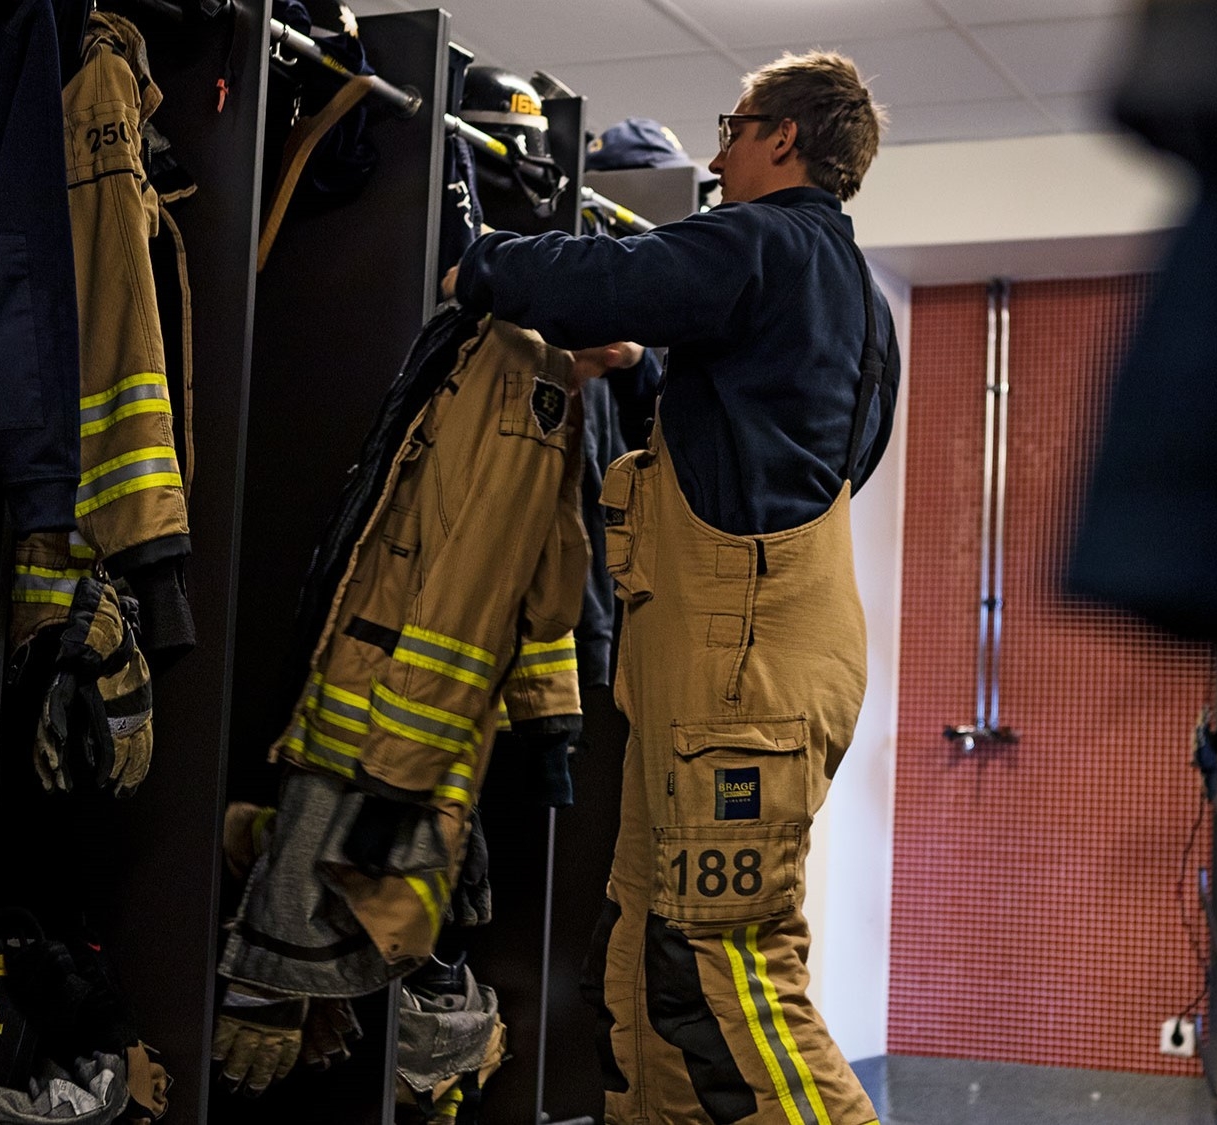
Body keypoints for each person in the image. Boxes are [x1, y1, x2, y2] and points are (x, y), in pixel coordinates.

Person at [443, 50, 897, 1125]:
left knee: (725, 968)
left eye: (734, 127)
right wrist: (639, 371)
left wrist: (483, 264)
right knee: (646, 963)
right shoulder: (851, 296)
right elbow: (753, 436)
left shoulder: (763, 241)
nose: (717, 151)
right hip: (754, 666)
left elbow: (606, 277)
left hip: (738, 675)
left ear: (784, 138)